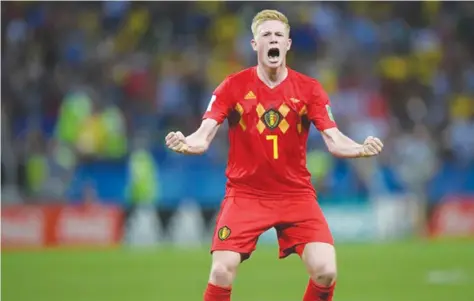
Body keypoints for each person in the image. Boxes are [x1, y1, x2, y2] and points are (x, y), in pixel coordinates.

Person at [165, 9, 383, 301]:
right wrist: (186, 143)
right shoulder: (232, 86)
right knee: (221, 271)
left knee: (326, 270)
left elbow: (334, 139)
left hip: (296, 195)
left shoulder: (309, 89)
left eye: (278, 35)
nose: (273, 40)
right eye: (266, 35)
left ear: (288, 44)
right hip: (246, 194)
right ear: (255, 45)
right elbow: (203, 136)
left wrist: (359, 147)